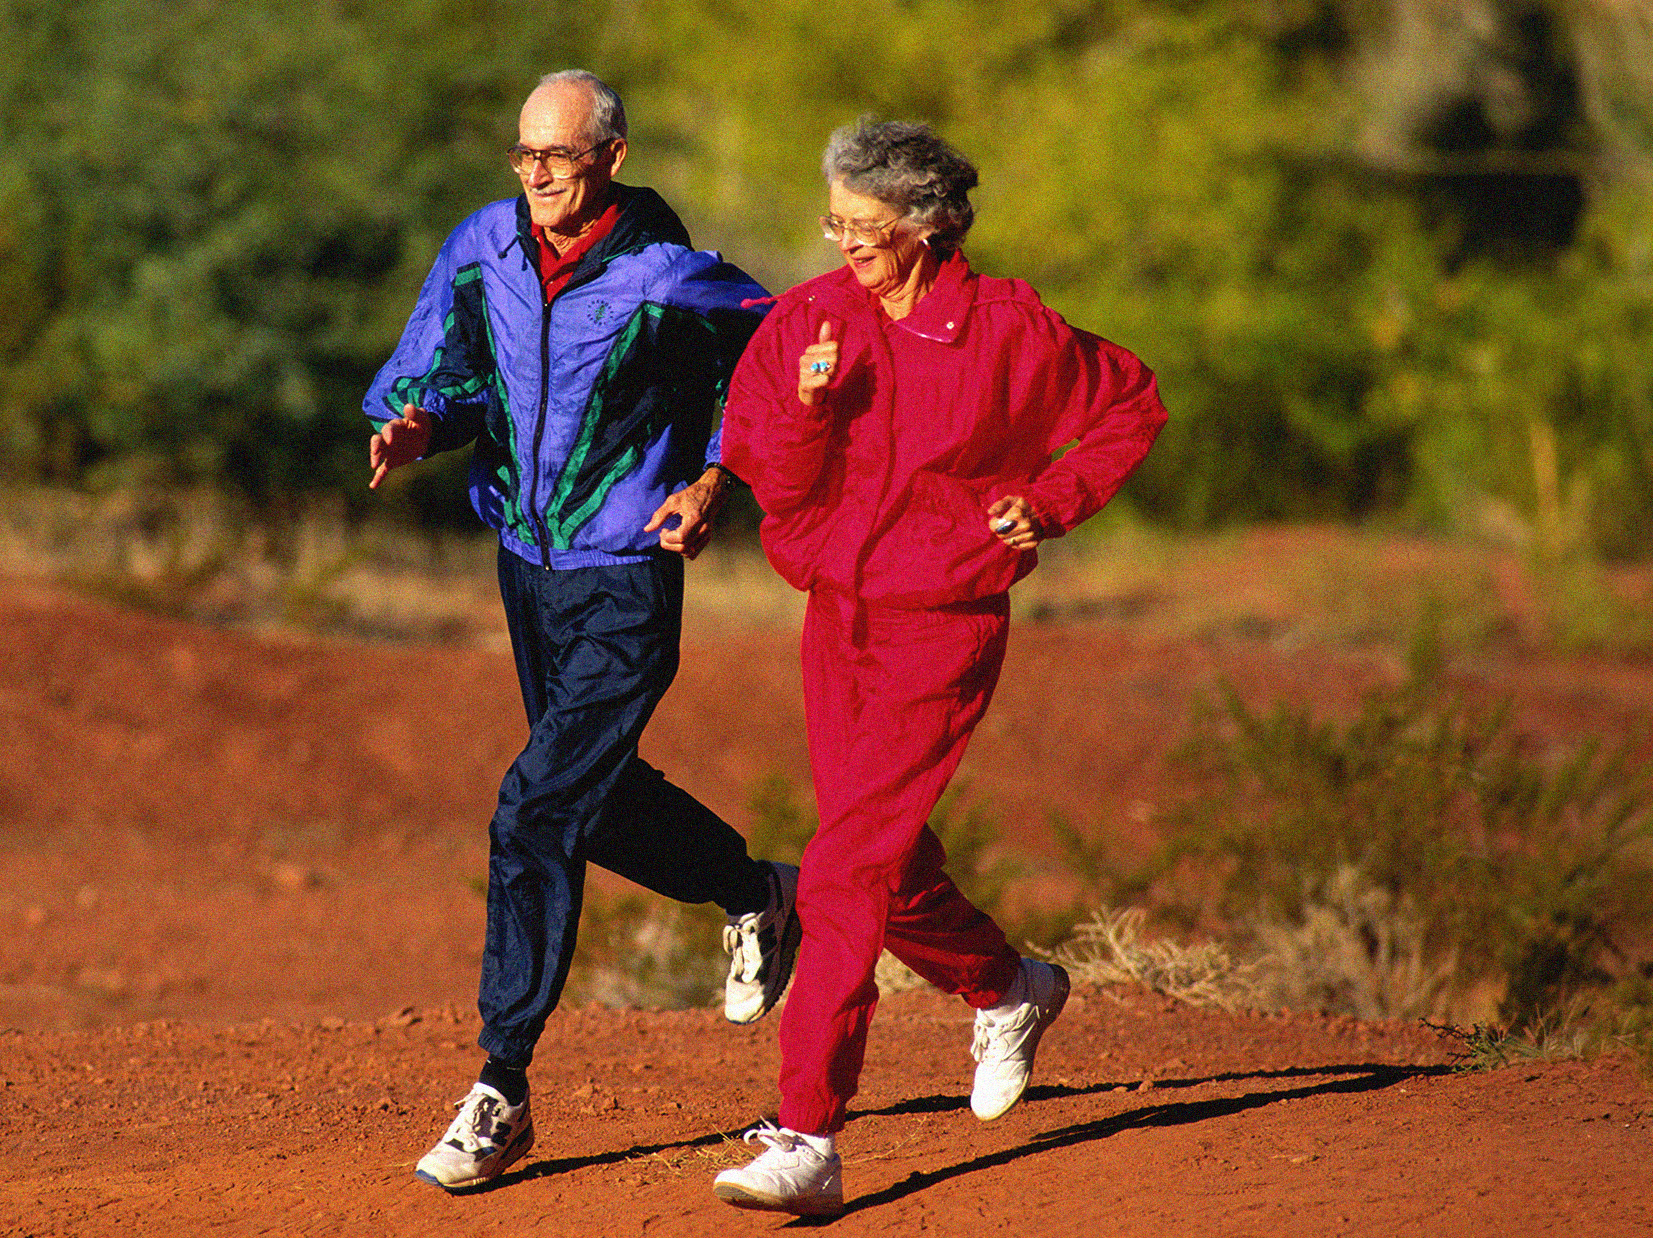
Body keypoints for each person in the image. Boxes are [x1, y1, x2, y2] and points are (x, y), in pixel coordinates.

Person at [707, 118, 1168, 1215]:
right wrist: (813, 405)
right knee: (882, 856)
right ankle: (1008, 986)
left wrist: (1047, 502)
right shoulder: (815, 316)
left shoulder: (1008, 326)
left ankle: (807, 1134)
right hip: (839, 611)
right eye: (835, 221)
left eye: (865, 226)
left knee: (840, 871)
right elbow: (767, 465)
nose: (845, 243)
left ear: (929, 225)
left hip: (945, 616)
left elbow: (1132, 403)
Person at [362, 69, 801, 1192]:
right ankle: (755, 891)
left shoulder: (667, 273)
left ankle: (499, 1084)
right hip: (526, 564)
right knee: (591, 800)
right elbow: (455, 383)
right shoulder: (482, 247)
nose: (536, 174)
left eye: (556, 155)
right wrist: (418, 429)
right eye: (523, 155)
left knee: (533, 807)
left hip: (624, 574)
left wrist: (712, 479)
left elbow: (774, 353)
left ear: (609, 154)